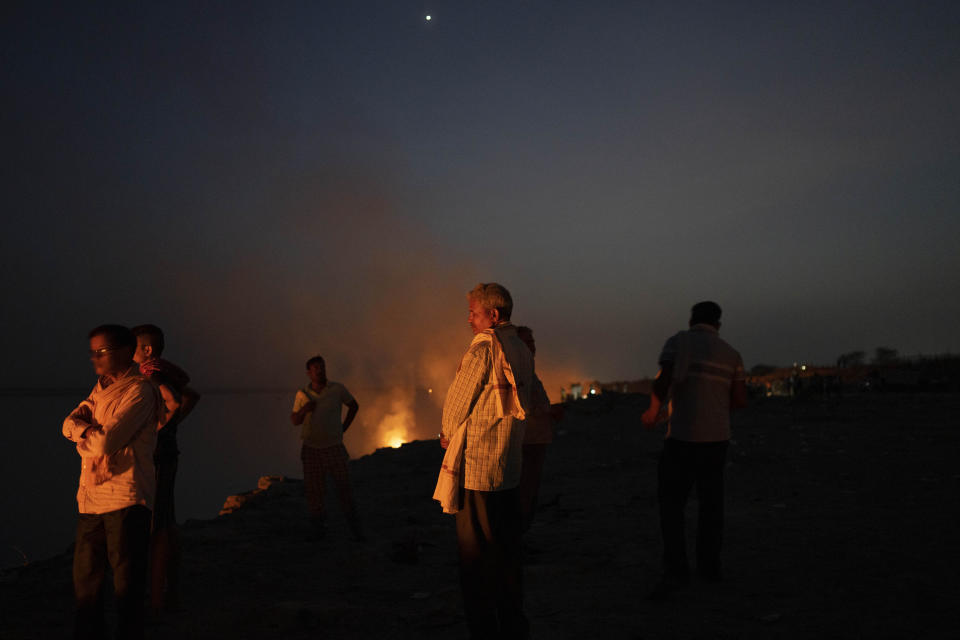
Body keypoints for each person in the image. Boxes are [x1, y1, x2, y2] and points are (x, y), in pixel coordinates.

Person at [436, 283, 534, 639]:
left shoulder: (483, 350)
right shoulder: (521, 348)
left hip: (478, 470)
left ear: (493, 315)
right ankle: (513, 625)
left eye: (473, 312)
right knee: (508, 554)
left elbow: (456, 406)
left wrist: (446, 434)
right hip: (509, 468)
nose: (469, 319)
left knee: (475, 560)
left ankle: (484, 631)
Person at [641, 301, 748, 598]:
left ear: (691, 320)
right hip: (717, 440)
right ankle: (710, 567)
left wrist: (653, 412)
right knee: (711, 506)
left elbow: (663, 381)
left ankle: (677, 570)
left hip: (682, 438)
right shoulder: (732, 354)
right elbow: (740, 400)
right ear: (718, 324)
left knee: (672, 507)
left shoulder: (678, 342)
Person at [62, 325, 161, 639]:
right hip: (91, 498)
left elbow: (105, 444)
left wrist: (85, 435)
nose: (93, 358)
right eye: (92, 351)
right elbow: (67, 424)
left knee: (126, 588)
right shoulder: (99, 388)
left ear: (123, 351)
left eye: (100, 351)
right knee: (86, 585)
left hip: (126, 498)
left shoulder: (140, 391)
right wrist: (85, 433)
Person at [131, 324, 200, 614]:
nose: (128, 351)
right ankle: (172, 592)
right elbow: (191, 396)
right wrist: (171, 425)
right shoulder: (166, 370)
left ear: (146, 349)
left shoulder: (149, 371)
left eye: (132, 345)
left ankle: (157, 601)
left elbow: (173, 400)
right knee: (168, 525)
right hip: (170, 453)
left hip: (157, 457)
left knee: (156, 529)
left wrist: (155, 430)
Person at [290, 355, 363, 540]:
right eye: (316, 368)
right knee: (315, 493)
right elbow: (294, 420)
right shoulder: (302, 394)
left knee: (344, 488)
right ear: (309, 373)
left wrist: (343, 428)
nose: (320, 371)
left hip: (334, 448)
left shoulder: (337, 389)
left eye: (322, 367)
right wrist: (305, 409)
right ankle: (319, 532)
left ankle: (355, 530)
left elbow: (353, 406)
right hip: (311, 449)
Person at [515, 326, 562, 533]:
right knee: (523, 495)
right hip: (527, 443)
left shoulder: (529, 370)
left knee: (530, 494)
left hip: (536, 441)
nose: (532, 346)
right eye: (528, 342)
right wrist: (548, 411)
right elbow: (519, 406)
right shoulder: (518, 372)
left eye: (533, 341)